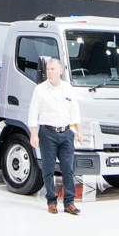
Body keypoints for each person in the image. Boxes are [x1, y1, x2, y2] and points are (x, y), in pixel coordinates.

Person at [28, 57, 82, 215]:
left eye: (52, 69)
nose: (49, 72)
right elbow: (33, 113)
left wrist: (79, 130)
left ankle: (69, 202)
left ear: (60, 71)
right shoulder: (40, 90)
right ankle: (51, 202)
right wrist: (33, 134)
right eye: (48, 69)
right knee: (48, 169)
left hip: (66, 133)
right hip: (47, 133)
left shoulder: (68, 88)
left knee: (68, 168)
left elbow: (75, 110)